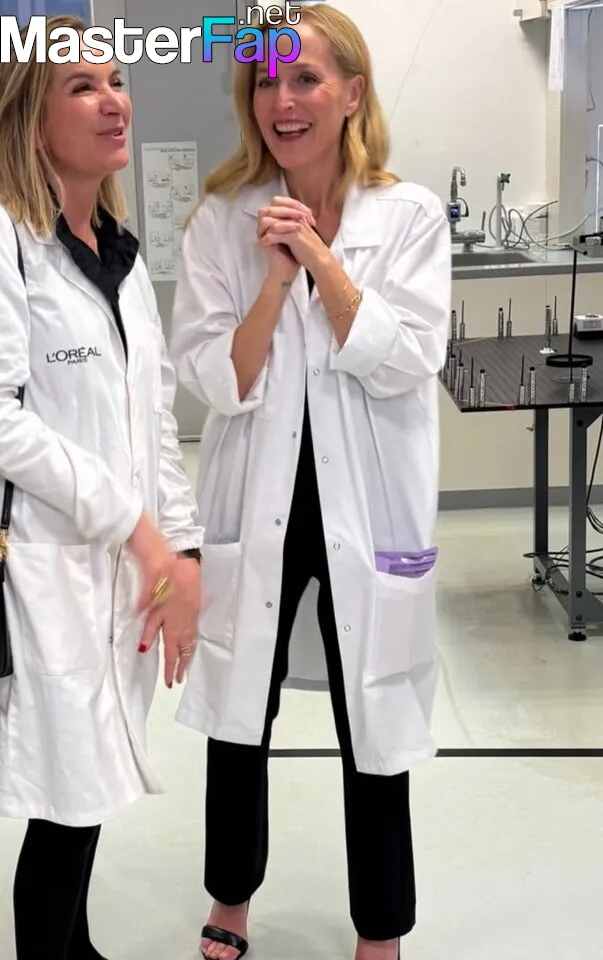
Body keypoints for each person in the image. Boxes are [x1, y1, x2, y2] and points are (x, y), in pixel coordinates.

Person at [170, 4, 450, 959]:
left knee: (371, 713)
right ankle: (230, 899)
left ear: (352, 94)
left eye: (304, 79)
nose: (281, 101)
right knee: (239, 712)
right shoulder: (220, 220)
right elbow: (217, 379)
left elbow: (409, 360)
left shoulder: (407, 217)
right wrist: (274, 280)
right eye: (263, 81)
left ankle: (381, 929)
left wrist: (322, 260)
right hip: (258, 498)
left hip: (366, 508)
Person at [0, 15, 204, 960]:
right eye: (81, 86)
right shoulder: (10, 242)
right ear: (29, 116)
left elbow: (153, 416)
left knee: (86, 791)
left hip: (123, 568)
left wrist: (180, 548)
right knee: (65, 791)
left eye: (117, 80)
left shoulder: (118, 252)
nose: (113, 100)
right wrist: (136, 527)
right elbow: (3, 421)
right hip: (44, 569)